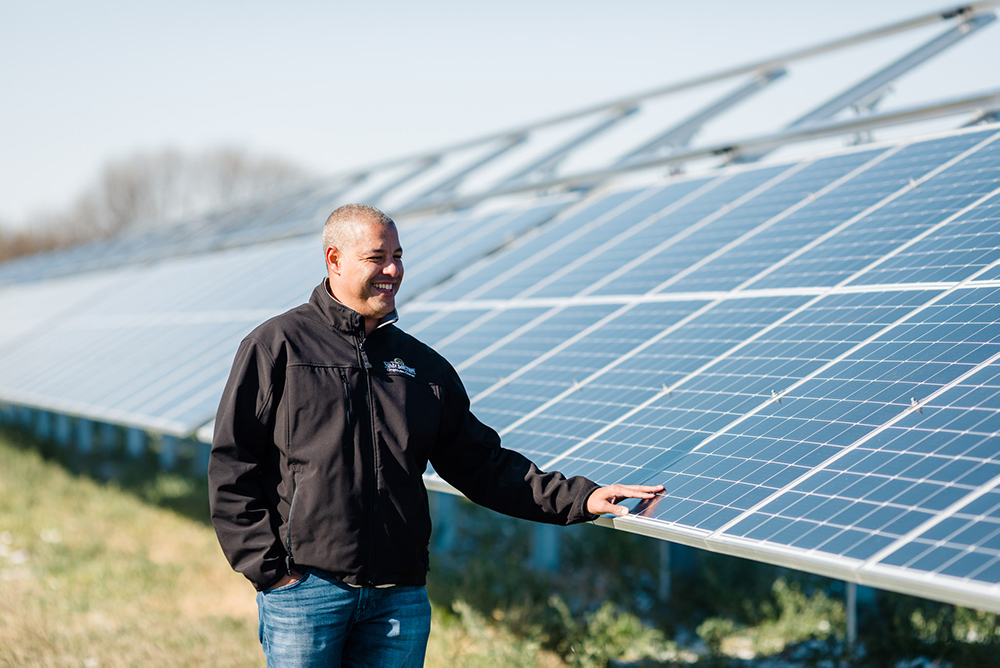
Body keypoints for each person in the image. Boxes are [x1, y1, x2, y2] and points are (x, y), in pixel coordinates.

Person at [208, 203, 663, 667]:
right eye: (376, 257)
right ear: (334, 259)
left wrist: (579, 499)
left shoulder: (422, 367)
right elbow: (231, 466)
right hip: (307, 593)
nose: (393, 270)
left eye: (399, 256)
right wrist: (273, 573)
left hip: (398, 600)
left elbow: (481, 463)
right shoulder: (277, 347)